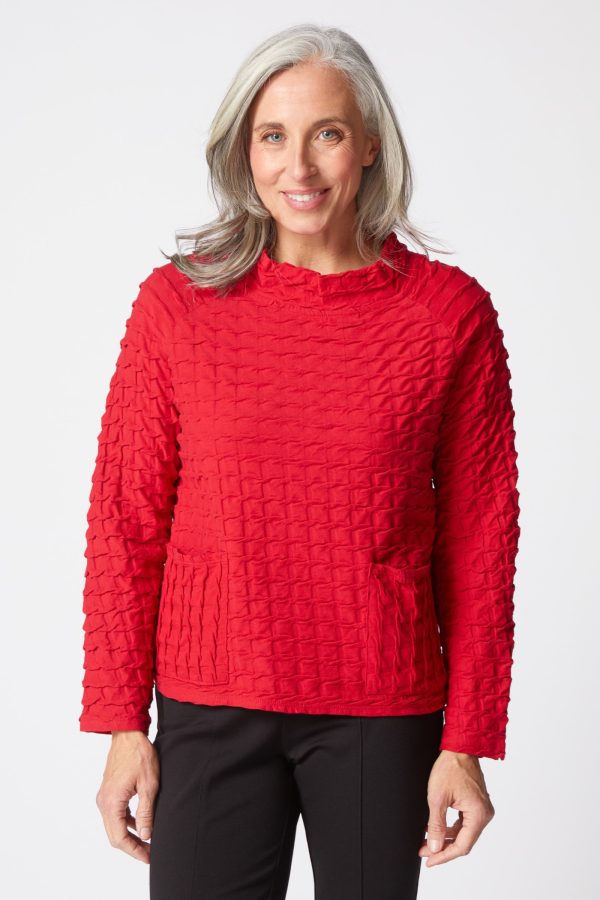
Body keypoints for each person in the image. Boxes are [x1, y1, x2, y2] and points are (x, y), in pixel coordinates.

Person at [79, 22, 521, 900]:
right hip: (210, 701)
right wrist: (122, 722)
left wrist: (467, 740)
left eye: (326, 133)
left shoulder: (449, 317)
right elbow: (125, 521)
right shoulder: (177, 307)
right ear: (243, 151)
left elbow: (481, 542)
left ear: (369, 144)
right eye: (272, 137)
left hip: (380, 708)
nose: (299, 167)